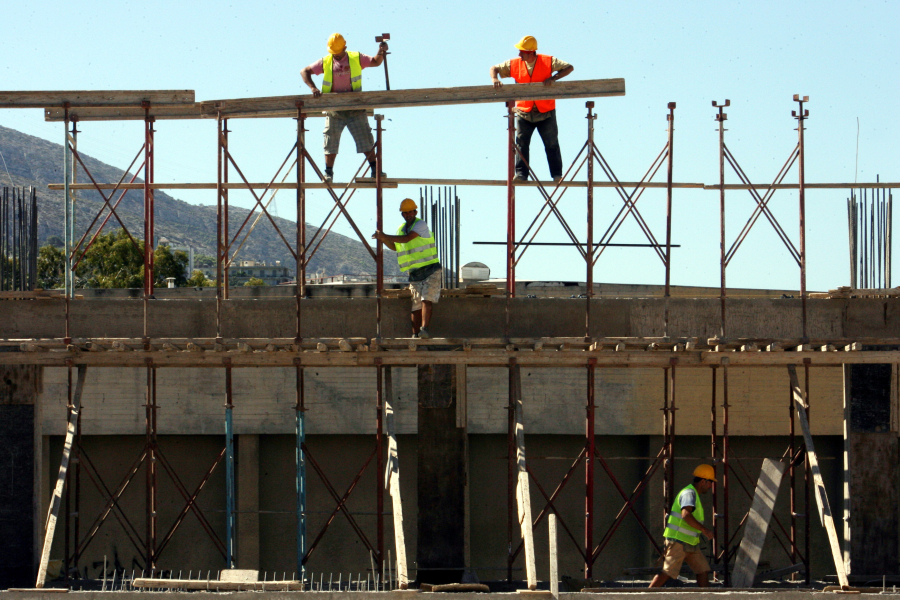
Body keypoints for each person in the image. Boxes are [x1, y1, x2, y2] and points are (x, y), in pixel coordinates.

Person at [301, 33, 387, 183]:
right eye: (334, 53)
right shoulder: (326, 61)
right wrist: (313, 88)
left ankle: (375, 170)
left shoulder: (355, 58)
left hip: (355, 107)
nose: (336, 56)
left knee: (365, 138)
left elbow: (376, 62)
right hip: (334, 109)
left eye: (338, 52)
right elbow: (304, 71)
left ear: (345, 47)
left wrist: (381, 51)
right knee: (330, 140)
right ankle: (328, 173)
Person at [489, 36, 574, 183]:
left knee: (551, 144)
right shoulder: (514, 64)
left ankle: (557, 175)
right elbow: (494, 68)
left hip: (546, 110)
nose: (519, 55)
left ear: (531, 52)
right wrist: (494, 79)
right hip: (524, 111)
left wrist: (554, 78)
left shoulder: (547, 61)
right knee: (522, 144)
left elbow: (569, 67)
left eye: (522, 52)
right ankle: (521, 175)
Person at [372, 199, 441, 339]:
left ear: (415, 212)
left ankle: (424, 330)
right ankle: (415, 335)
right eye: (405, 212)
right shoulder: (401, 229)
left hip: (430, 269)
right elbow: (395, 246)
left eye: (411, 211)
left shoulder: (420, 224)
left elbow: (408, 239)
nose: (408, 214)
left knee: (426, 299)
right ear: (402, 214)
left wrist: (384, 236)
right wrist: (383, 239)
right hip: (415, 273)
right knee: (416, 305)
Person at [648, 464, 716, 588]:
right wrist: (704, 530)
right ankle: (645, 596)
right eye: (710, 482)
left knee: (703, 570)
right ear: (703, 481)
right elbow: (686, 514)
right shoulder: (689, 493)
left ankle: (706, 596)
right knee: (667, 572)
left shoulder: (693, 494)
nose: (711, 486)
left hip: (690, 542)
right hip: (678, 541)